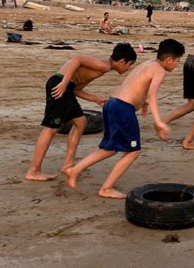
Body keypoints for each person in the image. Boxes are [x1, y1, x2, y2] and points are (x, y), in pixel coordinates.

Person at [65, 39, 185, 198]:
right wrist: (158, 120)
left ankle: (75, 170)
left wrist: (143, 103)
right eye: (177, 61)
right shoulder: (159, 70)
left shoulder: (147, 64)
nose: (176, 65)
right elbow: (152, 93)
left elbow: (138, 87)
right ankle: (106, 188)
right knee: (133, 151)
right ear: (169, 59)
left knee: (110, 148)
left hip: (112, 104)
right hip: (123, 108)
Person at [25, 43, 138, 181]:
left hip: (66, 86)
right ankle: (33, 171)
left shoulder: (102, 68)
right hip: (59, 83)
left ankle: (68, 164)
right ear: (122, 61)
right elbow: (77, 59)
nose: (128, 69)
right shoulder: (104, 65)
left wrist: (96, 99)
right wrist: (64, 83)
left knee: (80, 122)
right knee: (51, 128)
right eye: (130, 65)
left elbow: (76, 89)